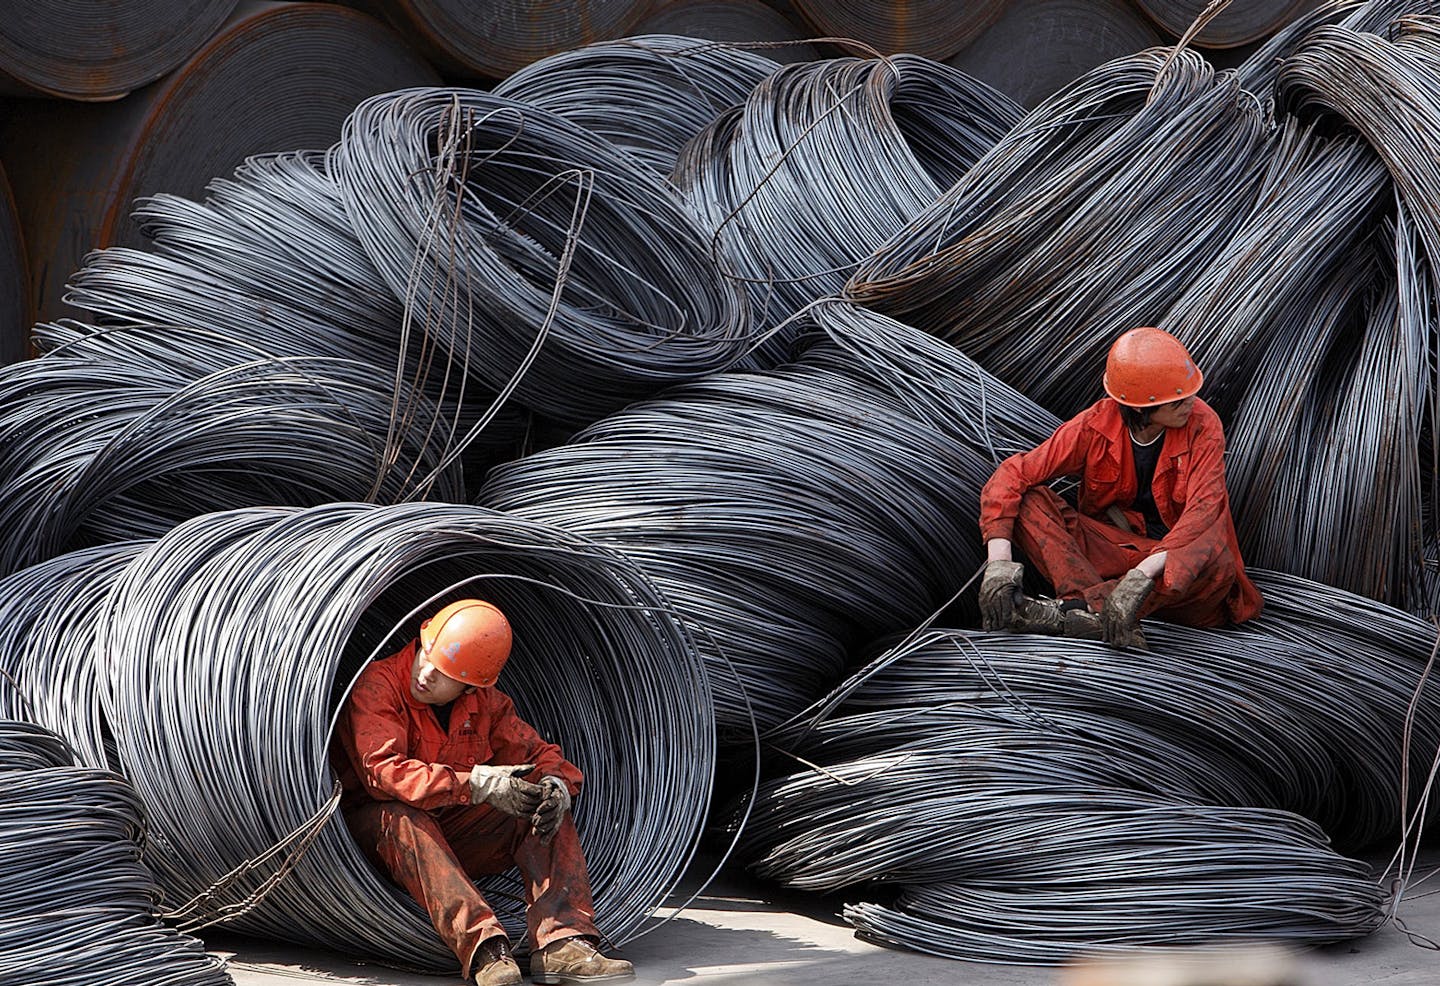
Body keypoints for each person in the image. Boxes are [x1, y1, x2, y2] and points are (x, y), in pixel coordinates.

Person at [334, 598, 634, 985]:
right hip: (378, 839)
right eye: (426, 655)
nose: (425, 672)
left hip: (448, 833)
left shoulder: (484, 704)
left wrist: (555, 783)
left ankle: (563, 944)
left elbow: (538, 753)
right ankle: (486, 950)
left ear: (470, 686)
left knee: (542, 805)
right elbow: (385, 774)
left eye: (444, 673)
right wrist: (476, 784)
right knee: (403, 817)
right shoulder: (378, 685)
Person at [977, 326, 1262, 648]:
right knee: (1029, 501)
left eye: (1190, 394)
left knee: (1214, 559)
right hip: (1113, 553)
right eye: (1177, 402)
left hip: (1172, 574)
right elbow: (1014, 473)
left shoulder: (1203, 426)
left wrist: (1142, 576)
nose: (1191, 404)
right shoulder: (1094, 426)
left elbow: (1204, 512)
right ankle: (1085, 609)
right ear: (1141, 408)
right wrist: (999, 562)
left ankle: (1078, 611)